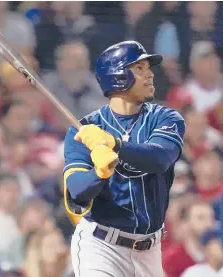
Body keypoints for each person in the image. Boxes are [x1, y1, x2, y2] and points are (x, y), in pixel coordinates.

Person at [63, 40, 185, 277]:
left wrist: (114, 145)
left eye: (148, 68)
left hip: (150, 250)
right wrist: (99, 172)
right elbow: (77, 192)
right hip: (101, 246)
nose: (150, 74)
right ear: (116, 75)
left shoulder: (166, 118)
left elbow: (160, 158)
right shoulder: (85, 129)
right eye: (139, 68)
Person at [162, 200, 216, 277]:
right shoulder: (170, 261)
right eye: (201, 218)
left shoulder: (219, 257)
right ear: (185, 224)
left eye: (211, 218)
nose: (208, 223)